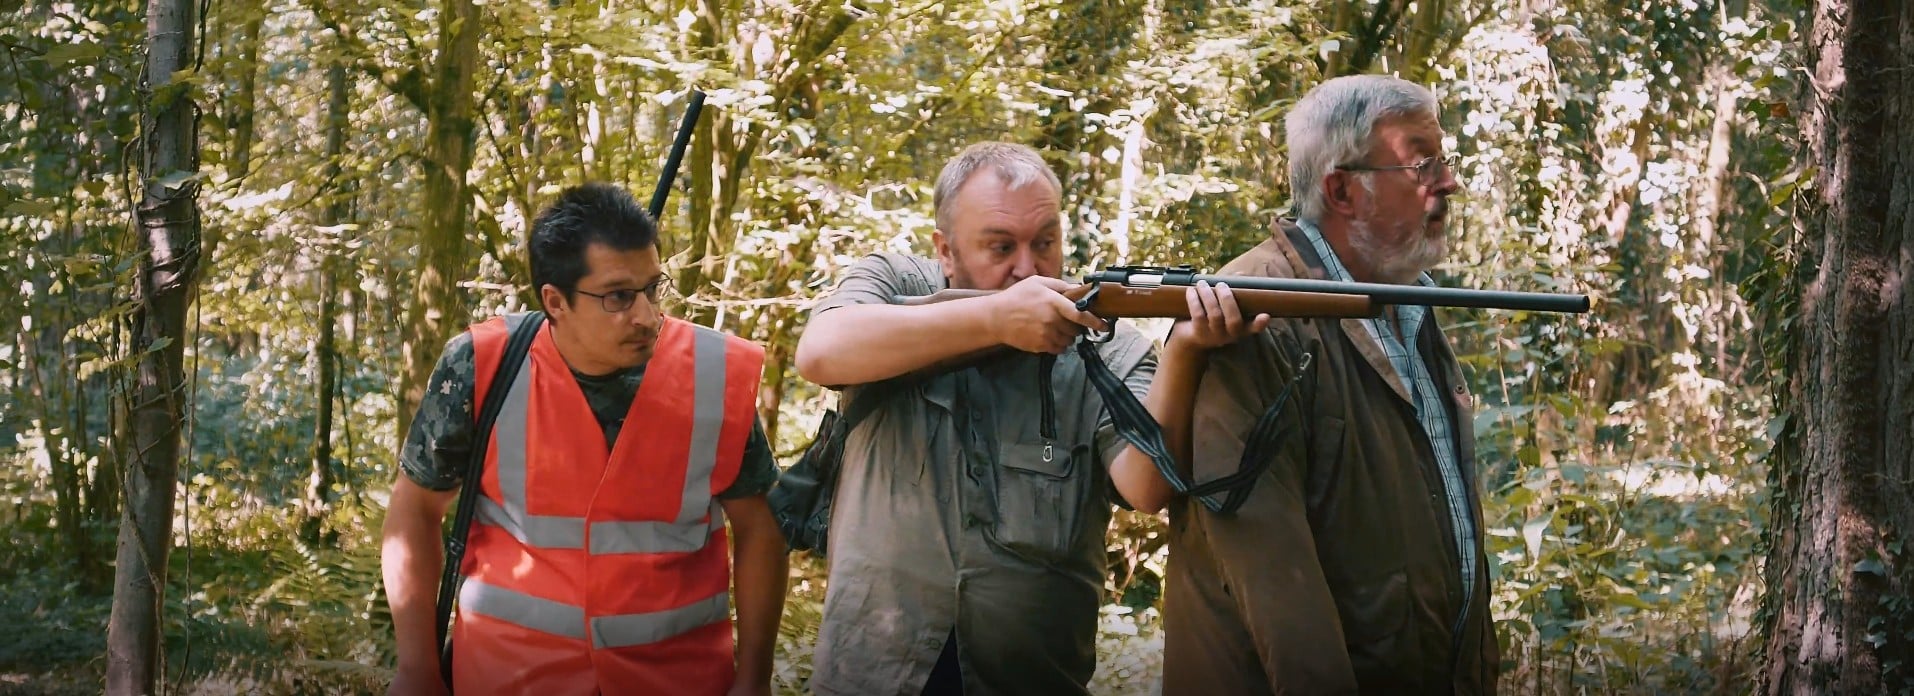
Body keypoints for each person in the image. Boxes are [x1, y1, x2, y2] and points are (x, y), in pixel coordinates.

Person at [1115, 74, 1499, 694]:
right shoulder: (1248, 319)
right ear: (1342, 189)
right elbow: (1278, 592)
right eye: (1421, 164)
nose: (1446, 182)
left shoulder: (1409, 302)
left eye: (1442, 160)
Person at [381, 183, 788, 696]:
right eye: (618, 296)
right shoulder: (481, 366)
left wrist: (753, 680)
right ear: (556, 301)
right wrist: (417, 670)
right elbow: (413, 511)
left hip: (678, 681)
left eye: (652, 289)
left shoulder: (712, 374)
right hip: (508, 678)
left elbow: (761, 530)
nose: (646, 316)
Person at [793, 142, 1167, 695]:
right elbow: (821, 352)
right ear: (946, 251)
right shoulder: (894, 284)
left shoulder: (1108, 349)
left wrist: (1188, 350)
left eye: (1045, 243)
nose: (1028, 268)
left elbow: (1147, 487)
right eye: (1000, 247)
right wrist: (995, 318)